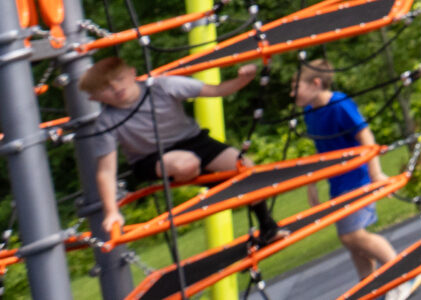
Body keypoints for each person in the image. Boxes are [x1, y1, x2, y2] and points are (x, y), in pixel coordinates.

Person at [81, 52, 277, 243]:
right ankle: (222, 186)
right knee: (186, 164)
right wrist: (111, 212)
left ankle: (268, 226)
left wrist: (244, 78)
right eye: (105, 88)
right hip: (150, 159)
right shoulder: (106, 122)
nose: (116, 88)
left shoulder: (163, 85)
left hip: (193, 141)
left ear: (133, 73)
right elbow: (106, 172)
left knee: (246, 168)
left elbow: (217, 90)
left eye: (119, 79)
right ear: (94, 98)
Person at [294, 59, 403, 287]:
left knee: (352, 236)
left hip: (357, 178)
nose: (291, 92)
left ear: (316, 83)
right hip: (339, 184)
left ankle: (401, 275)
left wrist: (376, 175)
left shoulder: (339, 103)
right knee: (352, 242)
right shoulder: (309, 112)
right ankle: (369, 284)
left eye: (296, 86)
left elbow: (365, 135)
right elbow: (320, 150)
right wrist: (311, 185)